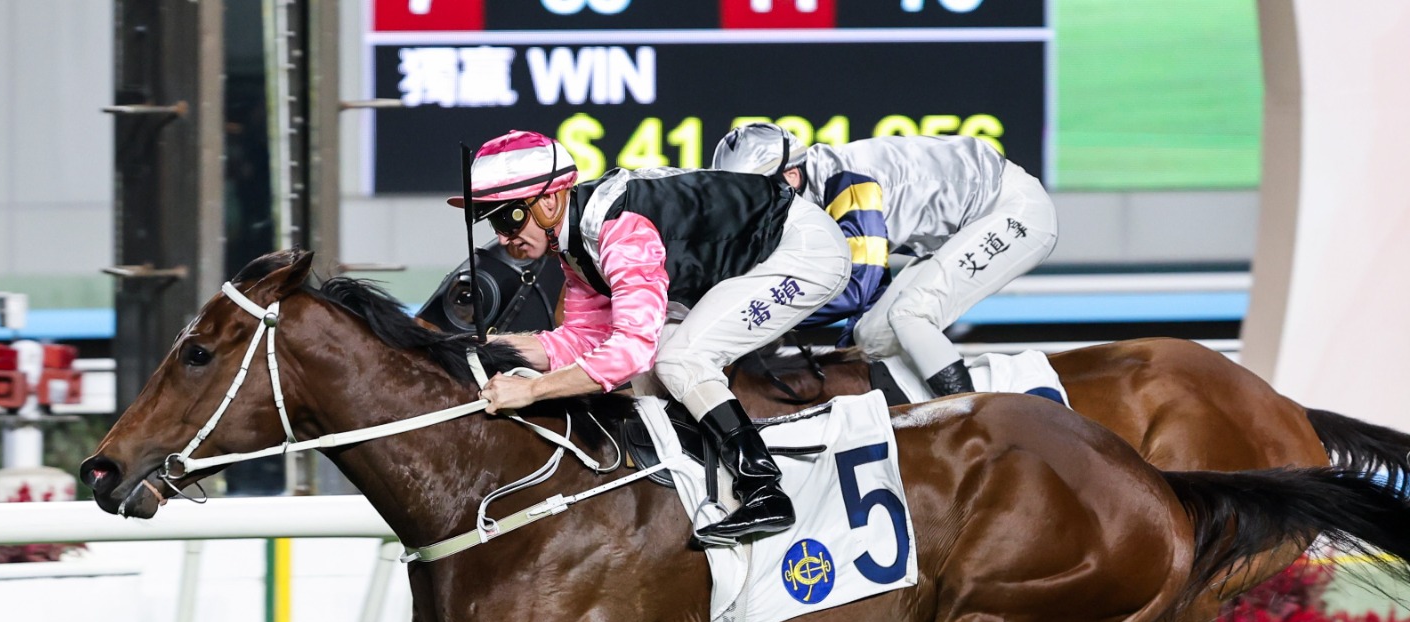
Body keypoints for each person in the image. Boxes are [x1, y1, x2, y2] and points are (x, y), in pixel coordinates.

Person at [451, 130, 851, 543]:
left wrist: (533, 390)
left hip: (805, 250)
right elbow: (581, 340)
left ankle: (764, 490)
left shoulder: (620, 230)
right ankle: (701, 487)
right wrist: (479, 351)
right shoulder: (575, 245)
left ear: (549, 202)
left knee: (677, 359)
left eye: (509, 218)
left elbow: (630, 350)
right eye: (494, 221)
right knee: (655, 370)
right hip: (753, 256)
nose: (503, 237)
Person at [712, 123, 1058, 397]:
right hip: (965, 226)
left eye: (753, 196)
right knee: (869, 337)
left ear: (791, 176)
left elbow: (855, 288)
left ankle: (975, 421)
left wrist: (767, 318)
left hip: (1012, 209)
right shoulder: (815, 191)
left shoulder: (847, 183)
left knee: (910, 315)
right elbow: (871, 287)